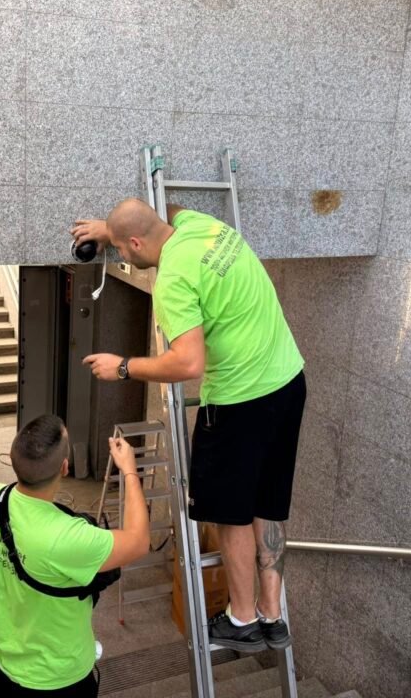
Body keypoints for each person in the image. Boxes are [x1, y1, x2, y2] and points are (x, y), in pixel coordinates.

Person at [71, 199, 306, 653]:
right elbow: (170, 208)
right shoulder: (199, 224)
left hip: (241, 402)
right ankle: (272, 615)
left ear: (135, 243)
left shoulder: (172, 281)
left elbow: (188, 363)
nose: (121, 255)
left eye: (122, 248)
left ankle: (242, 618)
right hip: (288, 382)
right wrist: (108, 228)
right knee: (268, 503)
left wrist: (123, 367)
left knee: (232, 514)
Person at [0, 414, 150, 696]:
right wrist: (130, 471)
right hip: (57, 677)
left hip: (1, 656)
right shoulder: (67, 537)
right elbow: (139, 541)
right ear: (64, 467)